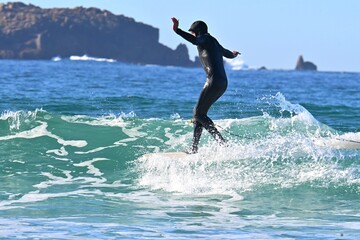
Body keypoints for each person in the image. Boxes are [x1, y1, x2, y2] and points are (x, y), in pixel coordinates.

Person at [171, 17, 240, 154]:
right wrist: (233, 54)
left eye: (193, 32)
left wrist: (177, 30)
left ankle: (222, 142)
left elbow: (196, 40)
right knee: (199, 113)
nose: (192, 34)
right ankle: (194, 148)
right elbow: (227, 53)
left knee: (198, 113)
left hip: (213, 81)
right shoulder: (213, 41)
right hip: (222, 82)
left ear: (198, 32)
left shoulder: (205, 39)